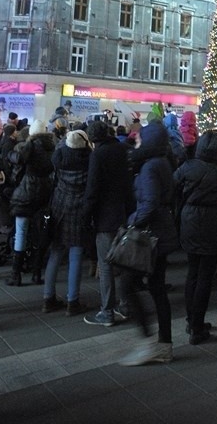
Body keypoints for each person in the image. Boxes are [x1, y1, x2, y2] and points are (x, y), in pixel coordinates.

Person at [119, 120, 179, 365]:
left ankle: (147, 342)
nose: (138, 140)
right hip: (162, 233)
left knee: (127, 284)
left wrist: (132, 221)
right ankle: (164, 345)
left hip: (150, 236)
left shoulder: (150, 166)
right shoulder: (162, 162)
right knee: (156, 288)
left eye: (141, 137)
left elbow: (149, 203)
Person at [173, 130, 217, 345]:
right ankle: (198, 325)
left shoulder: (188, 167)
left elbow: (174, 188)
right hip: (213, 219)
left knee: (193, 272)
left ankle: (192, 321)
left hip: (189, 218)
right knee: (206, 276)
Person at [81, 119, 134, 327]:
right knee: (123, 262)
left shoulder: (98, 154)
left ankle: (107, 311)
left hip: (105, 216)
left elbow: (93, 189)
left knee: (106, 265)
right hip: (123, 212)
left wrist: (86, 215)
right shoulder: (122, 149)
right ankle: (126, 304)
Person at [42, 130, 92, 315]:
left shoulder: (59, 158)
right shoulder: (89, 161)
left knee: (56, 252)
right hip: (79, 211)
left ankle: (48, 298)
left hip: (59, 208)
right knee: (76, 255)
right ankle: (73, 301)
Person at [5, 120, 55, 286]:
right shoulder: (51, 146)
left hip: (27, 193)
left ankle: (16, 274)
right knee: (40, 234)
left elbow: (19, 159)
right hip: (45, 193)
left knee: (21, 232)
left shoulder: (31, 145)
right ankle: (36, 273)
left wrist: (10, 154)